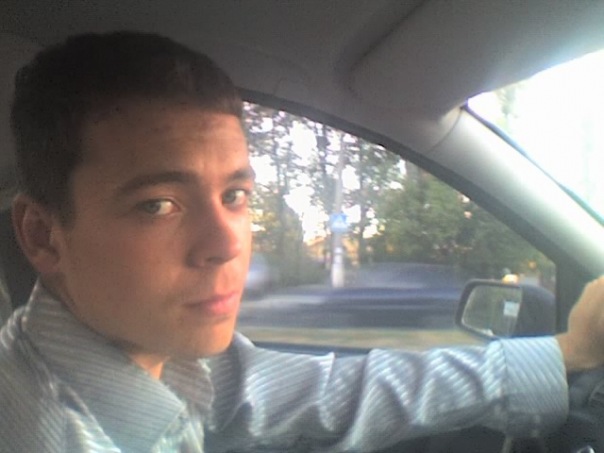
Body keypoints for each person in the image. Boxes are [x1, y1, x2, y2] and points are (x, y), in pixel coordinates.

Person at [1, 31, 604, 453]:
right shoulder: (47, 433)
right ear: (42, 235)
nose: (226, 244)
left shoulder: (172, 359)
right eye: (158, 205)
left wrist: (567, 352)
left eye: (235, 195)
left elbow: (338, 393)